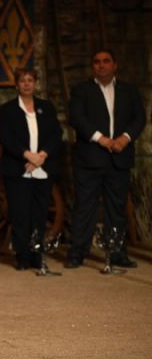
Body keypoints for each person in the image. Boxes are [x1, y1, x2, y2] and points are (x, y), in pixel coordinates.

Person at [66, 50, 146, 269]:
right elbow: (76, 118)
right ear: (93, 67)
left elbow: (140, 118)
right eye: (97, 62)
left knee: (117, 208)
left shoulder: (129, 91)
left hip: (119, 157)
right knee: (85, 206)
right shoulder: (82, 90)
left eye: (105, 61)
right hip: (90, 158)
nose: (101, 65)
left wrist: (125, 138)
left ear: (115, 65)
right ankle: (78, 252)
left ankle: (117, 252)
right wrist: (101, 139)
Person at [0, 68, 63, 270]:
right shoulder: (8, 109)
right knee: (20, 214)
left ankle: (37, 253)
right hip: (18, 168)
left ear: (35, 83)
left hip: (42, 168)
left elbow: (56, 135)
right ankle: (22, 255)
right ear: (17, 84)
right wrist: (27, 155)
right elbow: (6, 138)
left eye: (30, 80)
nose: (26, 84)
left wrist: (41, 156)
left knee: (39, 213)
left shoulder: (47, 107)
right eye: (22, 81)